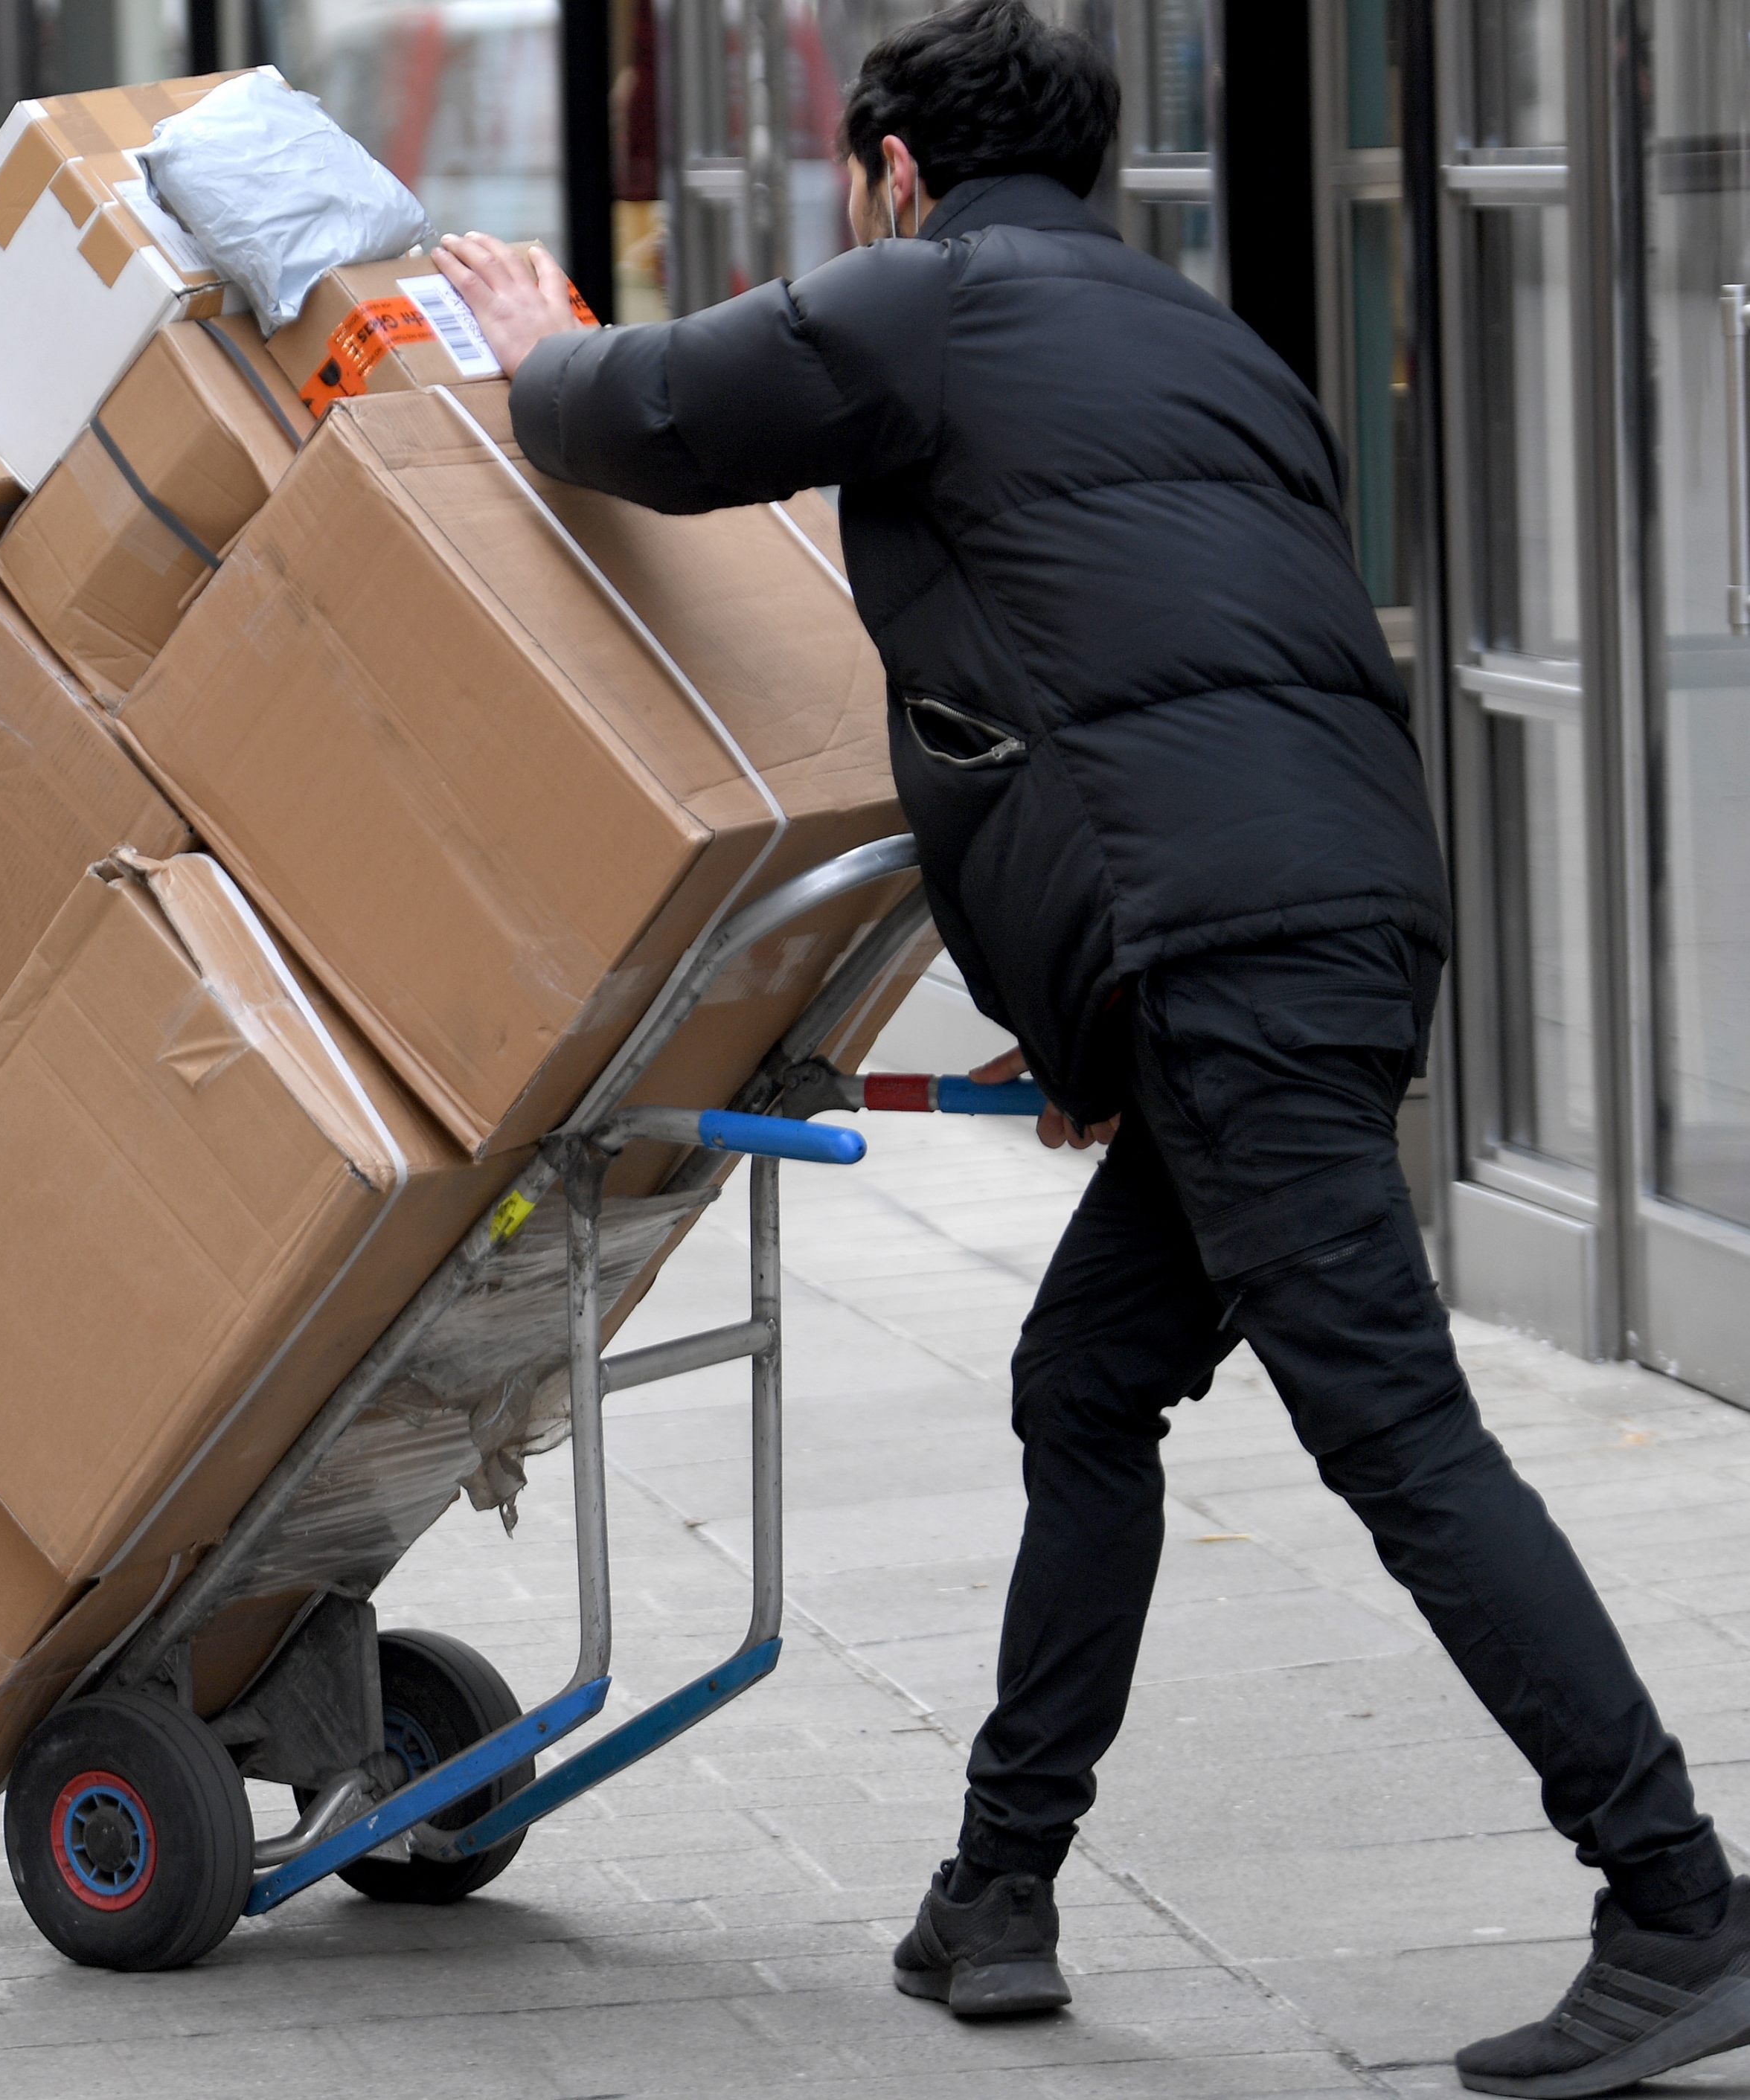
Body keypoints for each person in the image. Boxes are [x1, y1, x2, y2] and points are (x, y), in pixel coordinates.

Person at [429, 4, 1750, 2089]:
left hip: (1219, 957)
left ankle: (1674, 1897)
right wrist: (1105, 1011)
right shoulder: (1209, 342)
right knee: (1086, 1377)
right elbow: (1146, 671)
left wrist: (528, 333)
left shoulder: (929, 302)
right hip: (1329, 931)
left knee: (1398, 1432)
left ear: (890, 169)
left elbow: (653, 421)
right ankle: (1000, 1890)